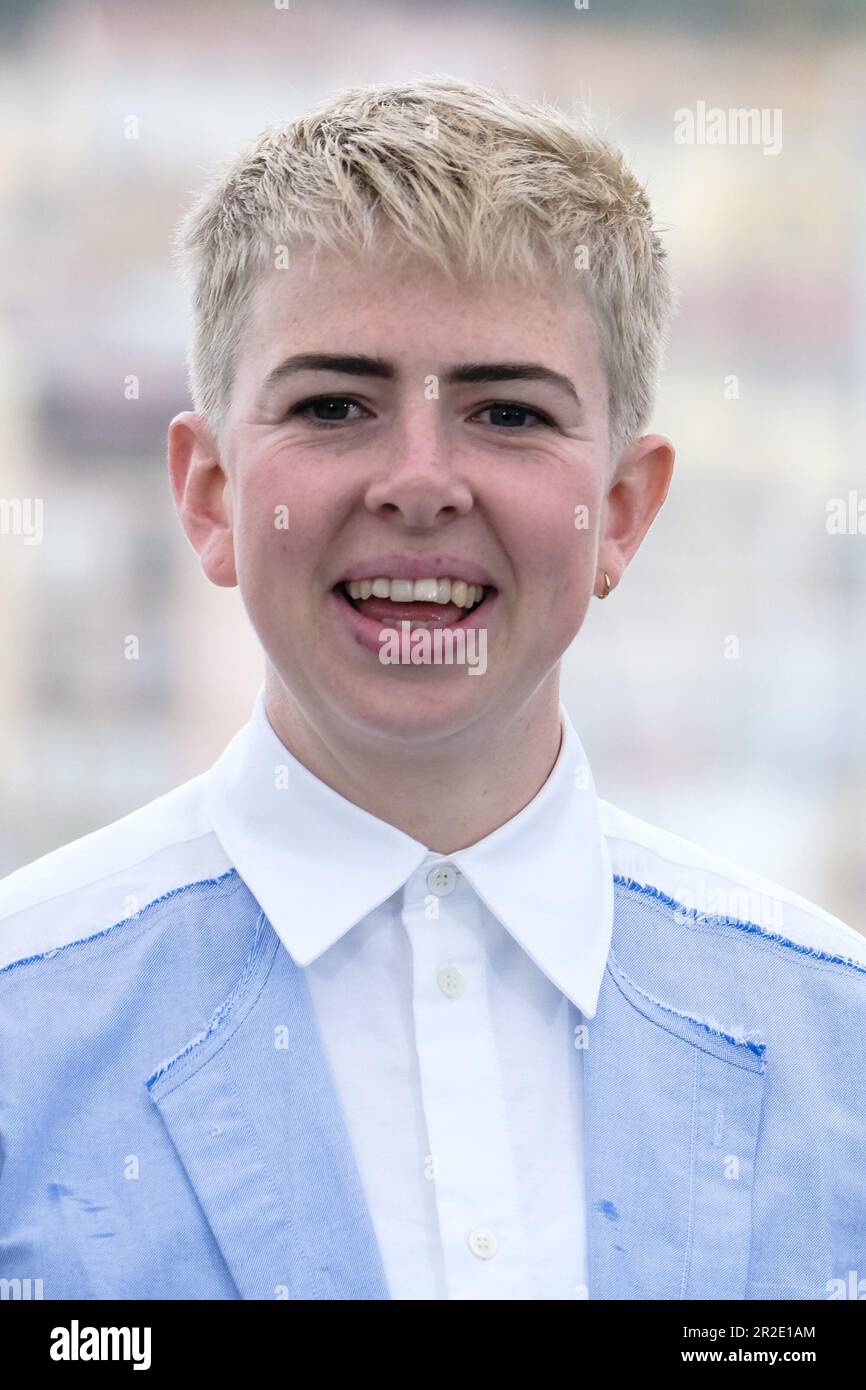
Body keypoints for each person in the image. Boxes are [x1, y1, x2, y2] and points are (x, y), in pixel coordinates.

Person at [1, 75, 863, 1303]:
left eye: (506, 411)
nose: (419, 481)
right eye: (334, 404)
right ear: (208, 495)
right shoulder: (21, 1042)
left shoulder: (838, 1056)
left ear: (621, 511)